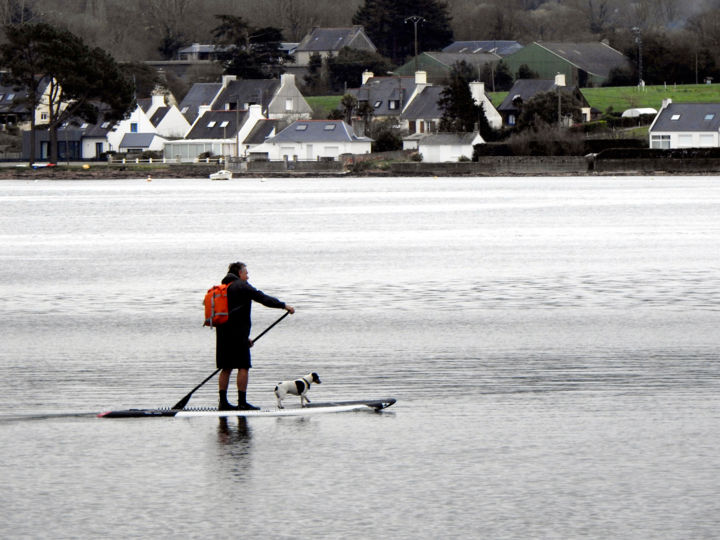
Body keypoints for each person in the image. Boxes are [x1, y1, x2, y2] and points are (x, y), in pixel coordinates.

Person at [216, 261, 294, 410]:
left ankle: (223, 403)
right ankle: (242, 403)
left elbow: (232, 314)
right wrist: (283, 305)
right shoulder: (241, 286)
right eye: (246, 273)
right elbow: (262, 298)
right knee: (243, 366)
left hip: (223, 333)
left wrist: (244, 337)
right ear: (239, 273)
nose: (248, 276)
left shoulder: (224, 288)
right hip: (237, 333)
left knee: (226, 367)